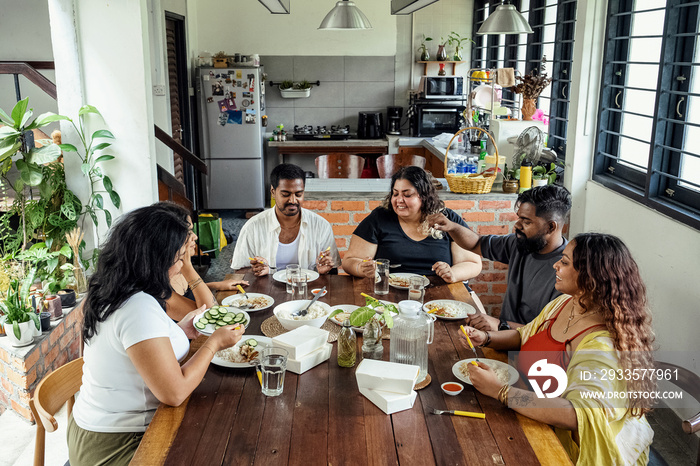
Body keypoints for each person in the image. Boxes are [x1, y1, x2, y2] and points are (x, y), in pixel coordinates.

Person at [68, 205, 245, 465]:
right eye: (179, 257)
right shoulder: (136, 306)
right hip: (116, 443)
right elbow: (174, 393)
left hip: (98, 428)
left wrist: (179, 330)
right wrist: (214, 343)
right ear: (156, 259)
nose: (180, 265)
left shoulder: (116, 288)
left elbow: (137, 347)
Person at [461, 233, 655, 465]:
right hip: (526, 409)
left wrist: (501, 392)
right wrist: (487, 338)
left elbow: (575, 415)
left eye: (564, 262)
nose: (555, 265)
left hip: (563, 443)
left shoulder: (603, 345)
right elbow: (526, 334)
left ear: (590, 276)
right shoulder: (567, 302)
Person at [428, 184, 571, 330]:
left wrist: (500, 325)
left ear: (551, 227)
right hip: (503, 337)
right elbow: (476, 243)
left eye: (526, 221)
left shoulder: (567, 271)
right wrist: (452, 226)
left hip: (532, 349)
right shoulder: (520, 244)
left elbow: (552, 334)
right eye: (519, 218)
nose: (517, 225)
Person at [342, 166, 481, 282]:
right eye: (395, 194)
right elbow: (349, 261)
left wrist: (453, 273)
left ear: (424, 197)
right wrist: (360, 268)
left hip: (441, 292)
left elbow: (473, 263)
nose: (399, 200)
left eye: (407, 195)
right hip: (389, 291)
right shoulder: (380, 218)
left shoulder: (447, 219)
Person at [231, 163, 340, 276]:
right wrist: (255, 270)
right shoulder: (253, 227)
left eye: (298, 194)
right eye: (285, 194)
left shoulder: (321, 226)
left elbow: (333, 272)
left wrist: (324, 271)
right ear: (273, 192)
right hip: (266, 292)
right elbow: (239, 271)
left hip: (308, 291)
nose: (293, 200)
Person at [156, 202, 249, 322]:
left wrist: (216, 285)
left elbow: (187, 293)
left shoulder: (174, 267)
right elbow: (210, 314)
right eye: (188, 232)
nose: (195, 236)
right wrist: (187, 267)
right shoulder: (158, 288)